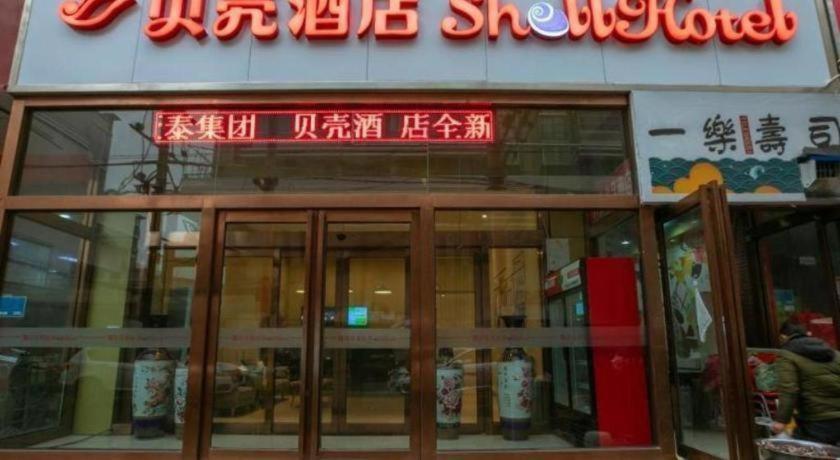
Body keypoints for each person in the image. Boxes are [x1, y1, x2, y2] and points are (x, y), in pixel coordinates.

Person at [771, 321, 840, 445]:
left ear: (783, 337)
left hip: (816, 420)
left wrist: (781, 421)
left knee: (805, 451)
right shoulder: (834, 353)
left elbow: (789, 390)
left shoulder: (788, 355)